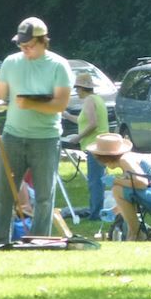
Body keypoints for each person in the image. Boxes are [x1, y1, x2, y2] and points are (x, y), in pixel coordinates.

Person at [0, 17, 73, 247]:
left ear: (42, 41)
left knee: (45, 197)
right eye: (21, 45)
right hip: (12, 136)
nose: (24, 49)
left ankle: (39, 243)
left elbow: (60, 104)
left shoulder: (58, 65)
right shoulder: (10, 62)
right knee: (4, 192)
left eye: (29, 45)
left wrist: (32, 103)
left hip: (46, 138)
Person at [86, 133, 151, 241]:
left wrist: (115, 181)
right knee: (123, 188)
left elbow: (142, 183)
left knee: (117, 189)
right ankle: (137, 234)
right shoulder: (130, 157)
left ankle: (134, 234)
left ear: (105, 157)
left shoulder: (125, 160)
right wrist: (114, 211)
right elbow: (132, 193)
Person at [62, 72, 109, 220]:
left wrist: (78, 137)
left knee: (95, 181)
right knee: (97, 179)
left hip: (95, 145)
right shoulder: (97, 99)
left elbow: (93, 124)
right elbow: (83, 121)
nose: (76, 92)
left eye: (77, 89)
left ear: (82, 88)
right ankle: (96, 210)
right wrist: (66, 115)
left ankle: (95, 214)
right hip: (101, 144)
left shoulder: (89, 100)